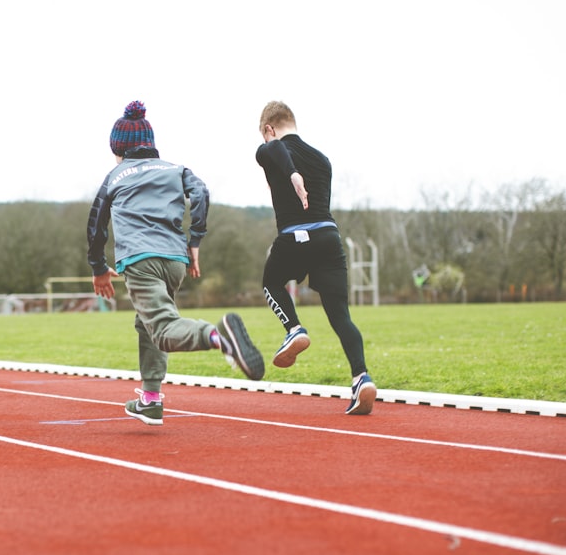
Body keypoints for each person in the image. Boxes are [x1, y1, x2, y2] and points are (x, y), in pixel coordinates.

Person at [87, 100, 265, 426]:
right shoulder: (175, 169)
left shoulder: (115, 175)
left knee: (164, 329)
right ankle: (151, 399)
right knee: (147, 323)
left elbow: (96, 224)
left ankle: (220, 336)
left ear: (119, 149)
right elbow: (201, 193)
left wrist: (98, 268)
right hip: (175, 262)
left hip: (140, 260)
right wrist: (195, 240)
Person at [255, 100, 376, 415]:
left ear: (269, 129)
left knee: (271, 282)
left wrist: (292, 173)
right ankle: (361, 377)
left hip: (296, 236)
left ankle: (294, 329)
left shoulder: (270, 148)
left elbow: (278, 151)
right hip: (329, 238)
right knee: (341, 316)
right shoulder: (322, 159)